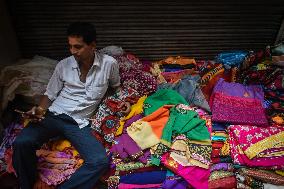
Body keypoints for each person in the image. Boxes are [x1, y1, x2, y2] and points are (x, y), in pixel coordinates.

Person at [12, 22, 131, 189]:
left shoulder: (109, 64)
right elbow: (50, 94)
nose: (72, 51)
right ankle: (27, 185)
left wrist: (123, 99)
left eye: (78, 47)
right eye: (70, 46)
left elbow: (116, 86)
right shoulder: (63, 65)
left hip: (79, 123)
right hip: (54, 115)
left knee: (99, 161)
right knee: (22, 143)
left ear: (93, 45)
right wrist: (38, 111)